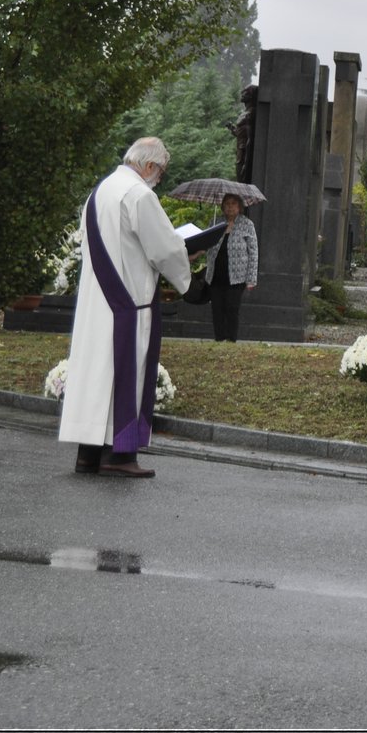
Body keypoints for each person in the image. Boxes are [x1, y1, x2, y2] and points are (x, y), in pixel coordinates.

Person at [57, 138, 192, 478]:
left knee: (97, 376)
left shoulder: (100, 191)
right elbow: (163, 249)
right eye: (160, 172)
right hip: (128, 302)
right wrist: (187, 256)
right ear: (149, 166)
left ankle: (88, 454)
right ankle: (119, 456)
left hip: (97, 300)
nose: (158, 179)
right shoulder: (139, 195)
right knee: (124, 372)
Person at [203, 192, 258, 342]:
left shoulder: (247, 224)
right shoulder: (216, 222)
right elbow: (206, 244)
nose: (230, 207)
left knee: (232, 308)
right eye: (227, 204)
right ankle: (219, 338)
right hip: (216, 274)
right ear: (222, 206)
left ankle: (231, 338)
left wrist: (251, 279)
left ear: (239, 207)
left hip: (237, 276)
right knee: (217, 308)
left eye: (233, 204)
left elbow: (253, 252)